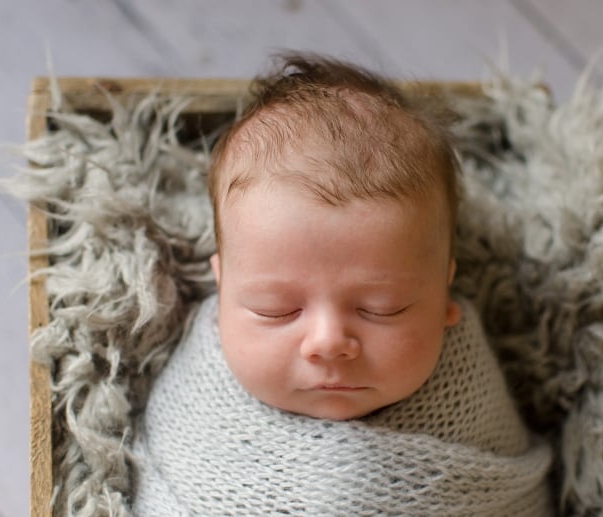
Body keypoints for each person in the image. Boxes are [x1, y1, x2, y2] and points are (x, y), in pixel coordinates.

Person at [134, 53, 553, 516]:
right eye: (276, 309)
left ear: (444, 295)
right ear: (222, 289)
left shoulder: (472, 401)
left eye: (382, 308)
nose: (329, 343)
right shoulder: (199, 405)